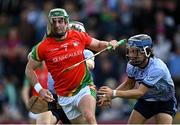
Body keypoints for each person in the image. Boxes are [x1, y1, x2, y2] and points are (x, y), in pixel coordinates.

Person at [25, 8, 117, 124]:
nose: (58, 25)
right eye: (54, 22)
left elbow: (97, 47)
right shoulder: (43, 47)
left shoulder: (79, 39)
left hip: (83, 88)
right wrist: (40, 90)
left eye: (61, 21)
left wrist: (109, 44)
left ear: (66, 22)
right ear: (49, 24)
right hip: (61, 97)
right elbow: (29, 66)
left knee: (89, 117)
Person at [98, 34, 178, 124]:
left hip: (164, 102)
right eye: (130, 51)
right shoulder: (131, 65)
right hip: (146, 101)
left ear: (147, 51)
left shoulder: (157, 68)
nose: (131, 55)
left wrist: (113, 93)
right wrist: (110, 96)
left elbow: (140, 92)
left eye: (135, 51)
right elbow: (129, 84)